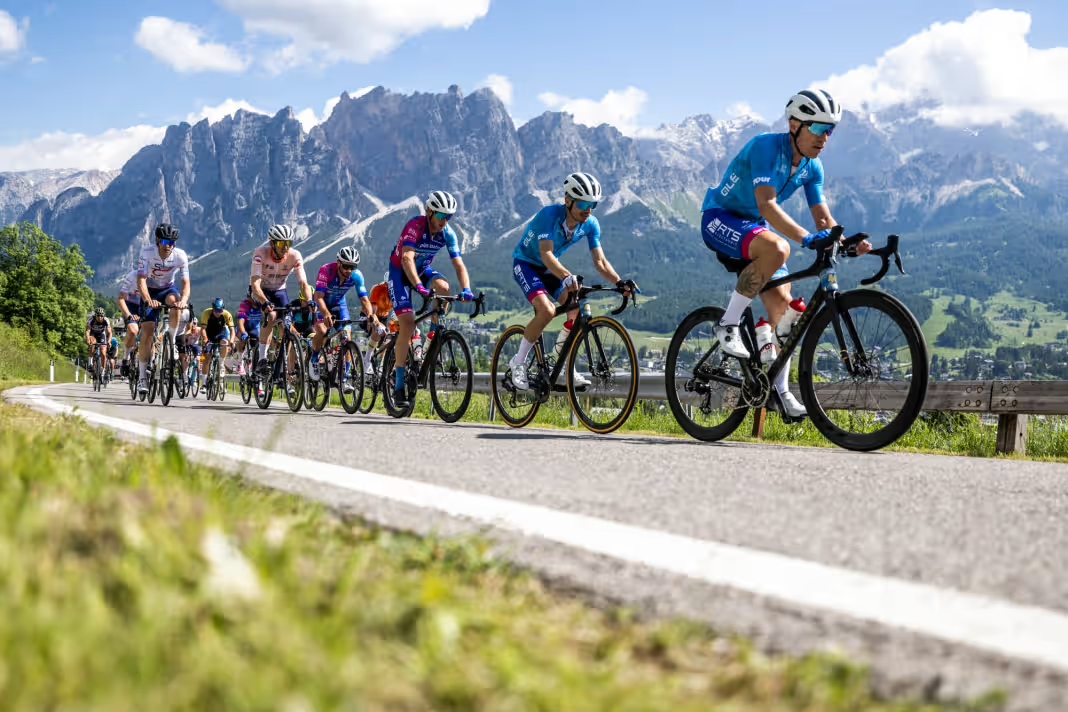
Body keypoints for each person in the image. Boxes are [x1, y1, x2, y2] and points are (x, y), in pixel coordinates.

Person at [699, 88, 871, 418]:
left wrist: (846, 241)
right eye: (819, 128)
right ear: (794, 124)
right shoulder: (766, 147)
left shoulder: (812, 167)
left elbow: (824, 218)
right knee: (780, 248)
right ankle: (728, 324)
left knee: (785, 310)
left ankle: (779, 392)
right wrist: (808, 239)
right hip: (719, 218)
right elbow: (767, 204)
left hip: (752, 228)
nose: (825, 138)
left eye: (830, 130)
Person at [509, 172, 638, 390]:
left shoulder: (591, 224)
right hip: (527, 264)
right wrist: (567, 276)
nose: (589, 209)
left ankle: (560, 363)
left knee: (575, 308)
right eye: (584, 203)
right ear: (568, 201)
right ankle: (518, 363)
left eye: (593, 204)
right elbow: (546, 254)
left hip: (550, 269)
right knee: (547, 311)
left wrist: (619, 283)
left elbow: (600, 262)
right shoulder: (548, 216)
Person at [387, 190, 475, 408]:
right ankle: (398, 386)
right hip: (400, 274)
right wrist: (417, 285)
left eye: (449, 217)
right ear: (429, 212)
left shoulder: (448, 233)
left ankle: (430, 342)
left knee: (444, 288)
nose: (445, 221)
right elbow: (407, 259)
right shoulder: (415, 226)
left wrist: (466, 289)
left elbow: (458, 264)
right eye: (442, 216)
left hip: (423, 270)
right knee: (407, 324)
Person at [308, 246, 380, 394]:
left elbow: (364, 300)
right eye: (346, 266)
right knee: (322, 330)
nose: (349, 270)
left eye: (352, 267)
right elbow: (318, 297)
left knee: (346, 338)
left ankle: (344, 378)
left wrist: (371, 315)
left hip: (340, 305)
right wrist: (326, 314)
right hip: (323, 304)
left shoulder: (356, 276)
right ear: (339, 263)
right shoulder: (326, 270)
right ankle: (314, 359)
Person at [249, 223, 312, 374]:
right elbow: (255, 285)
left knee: (288, 323)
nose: (285, 248)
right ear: (272, 243)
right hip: (261, 291)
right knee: (271, 315)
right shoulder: (260, 253)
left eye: (289, 243)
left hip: (279, 290)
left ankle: (282, 368)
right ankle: (262, 359)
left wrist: (309, 301)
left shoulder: (294, 255)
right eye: (282, 243)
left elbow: (303, 283)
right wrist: (265, 302)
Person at [136, 223, 190, 394]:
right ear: (158, 240)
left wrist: (184, 300)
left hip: (167, 289)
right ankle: (142, 377)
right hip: (150, 291)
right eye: (166, 242)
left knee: (175, 302)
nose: (170, 246)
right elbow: (141, 280)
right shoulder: (147, 252)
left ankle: (172, 341)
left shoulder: (180, 255)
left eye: (173, 243)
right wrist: (147, 299)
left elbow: (186, 283)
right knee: (148, 332)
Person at [199, 297, 235, 388]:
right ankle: (204, 383)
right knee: (207, 357)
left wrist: (231, 340)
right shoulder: (207, 313)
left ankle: (221, 363)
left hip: (220, 334)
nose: (218, 313)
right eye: (216, 310)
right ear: (213, 308)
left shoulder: (227, 314)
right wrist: (205, 340)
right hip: (208, 335)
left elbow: (232, 330)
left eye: (220, 311)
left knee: (224, 342)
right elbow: (202, 329)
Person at [116, 268, 141, 378]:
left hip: (147, 306)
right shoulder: (133, 275)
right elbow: (121, 299)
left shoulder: (157, 276)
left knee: (151, 335)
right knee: (133, 331)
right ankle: (126, 357)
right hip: (131, 306)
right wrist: (129, 315)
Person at [84, 307, 112, 380]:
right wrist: (88, 339)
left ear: (104, 316)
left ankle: (103, 370)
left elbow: (109, 332)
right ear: (95, 315)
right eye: (98, 315)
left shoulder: (106, 320)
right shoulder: (91, 320)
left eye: (101, 316)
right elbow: (88, 331)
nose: (100, 317)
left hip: (102, 335)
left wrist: (109, 342)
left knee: (103, 353)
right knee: (92, 343)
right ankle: (91, 363)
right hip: (93, 334)